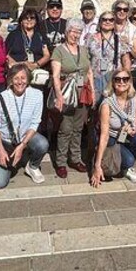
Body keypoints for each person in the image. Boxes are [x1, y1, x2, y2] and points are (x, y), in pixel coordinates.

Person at [0, 64, 48, 188]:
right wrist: (0, 150)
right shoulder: (1, 98)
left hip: (25, 137)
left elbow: (35, 122)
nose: (20, 82)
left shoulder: (37, 95)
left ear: (28, 79)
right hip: (6, 141)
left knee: (42, 144)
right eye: (16, 78)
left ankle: (32, 166)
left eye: (23, 78)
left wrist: (22, 145)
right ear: (10, 80)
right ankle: (1, 158)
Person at [51, 18, 94, 178]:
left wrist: (93, 92)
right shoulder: (59, 50)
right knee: (65, 129)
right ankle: (61, 162)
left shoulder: (83, 50)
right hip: (67, 93)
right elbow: (55, 75)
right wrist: (59, 95)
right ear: (66, 32)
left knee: (78, 128)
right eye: (73, 31)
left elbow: (88, 71)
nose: (75, 35)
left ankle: (75, 159)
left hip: (82, 93)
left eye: (79, 32)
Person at [90, 69, 136, 186]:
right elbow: (104, 135)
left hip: (126, 136)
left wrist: (133, 129)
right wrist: (97, 166)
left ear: (130, 81)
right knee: (128, 160)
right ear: (113, 82)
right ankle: (101, 158)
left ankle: (125, 165)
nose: (121, 82)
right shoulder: (107, 104)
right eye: (117, 79)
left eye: (125, 79)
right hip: (110, 137)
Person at [87, 11, 132, 106]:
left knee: (112, 108)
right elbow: (86, 59)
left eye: (111, 20)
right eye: (104, 19)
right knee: (94, 108)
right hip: (95, 79)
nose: (107, 22)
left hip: (114, 80)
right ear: (100, 22)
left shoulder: (120, 40)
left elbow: (126, 61)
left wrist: (127, 81)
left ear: (114, 22)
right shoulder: (91, 39)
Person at [5, 8, 51, 72]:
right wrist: (18, 65)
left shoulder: (40, 35)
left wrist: (36, 65)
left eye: (32, 18)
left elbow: (47, 55)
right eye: (25, 18)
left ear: (36, 21)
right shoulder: (13, 35)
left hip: (36, 70)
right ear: (21, 21)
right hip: (17, 70)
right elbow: (5, 53)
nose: (29, 20)